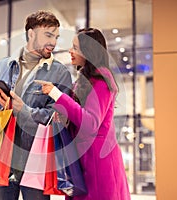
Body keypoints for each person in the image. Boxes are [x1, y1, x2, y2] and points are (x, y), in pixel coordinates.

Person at [0, 10, 72, 200]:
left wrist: (23, 110)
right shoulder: (0, 68)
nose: (53, 42)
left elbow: (60, 119)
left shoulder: (60, 73)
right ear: (31, 34)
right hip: (1, 159)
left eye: (56, 36)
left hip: (36, 162)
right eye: (48, 35)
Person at [36, 28, 131, 200]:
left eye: (76, 48)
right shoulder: (84, 79)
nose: (70, 51)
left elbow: (90, 123)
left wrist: (57, 95)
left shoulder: (101, 80)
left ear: (89, 52)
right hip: (83, 162)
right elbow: (79, 115)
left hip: (97, 165)